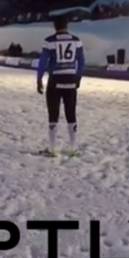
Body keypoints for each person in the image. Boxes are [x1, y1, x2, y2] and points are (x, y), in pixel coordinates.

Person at [36, 16, 85, 157]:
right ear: (67, 26)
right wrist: (78, 77)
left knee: (53, 114)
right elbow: (81, 61)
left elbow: (43, 62)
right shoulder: (77, 41)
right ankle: (74, 148)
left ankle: (52, 148)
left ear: (54, 26)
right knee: (71, 113)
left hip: (55, 79)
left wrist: (39, 79)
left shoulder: (49, 41)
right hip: (71, 78)